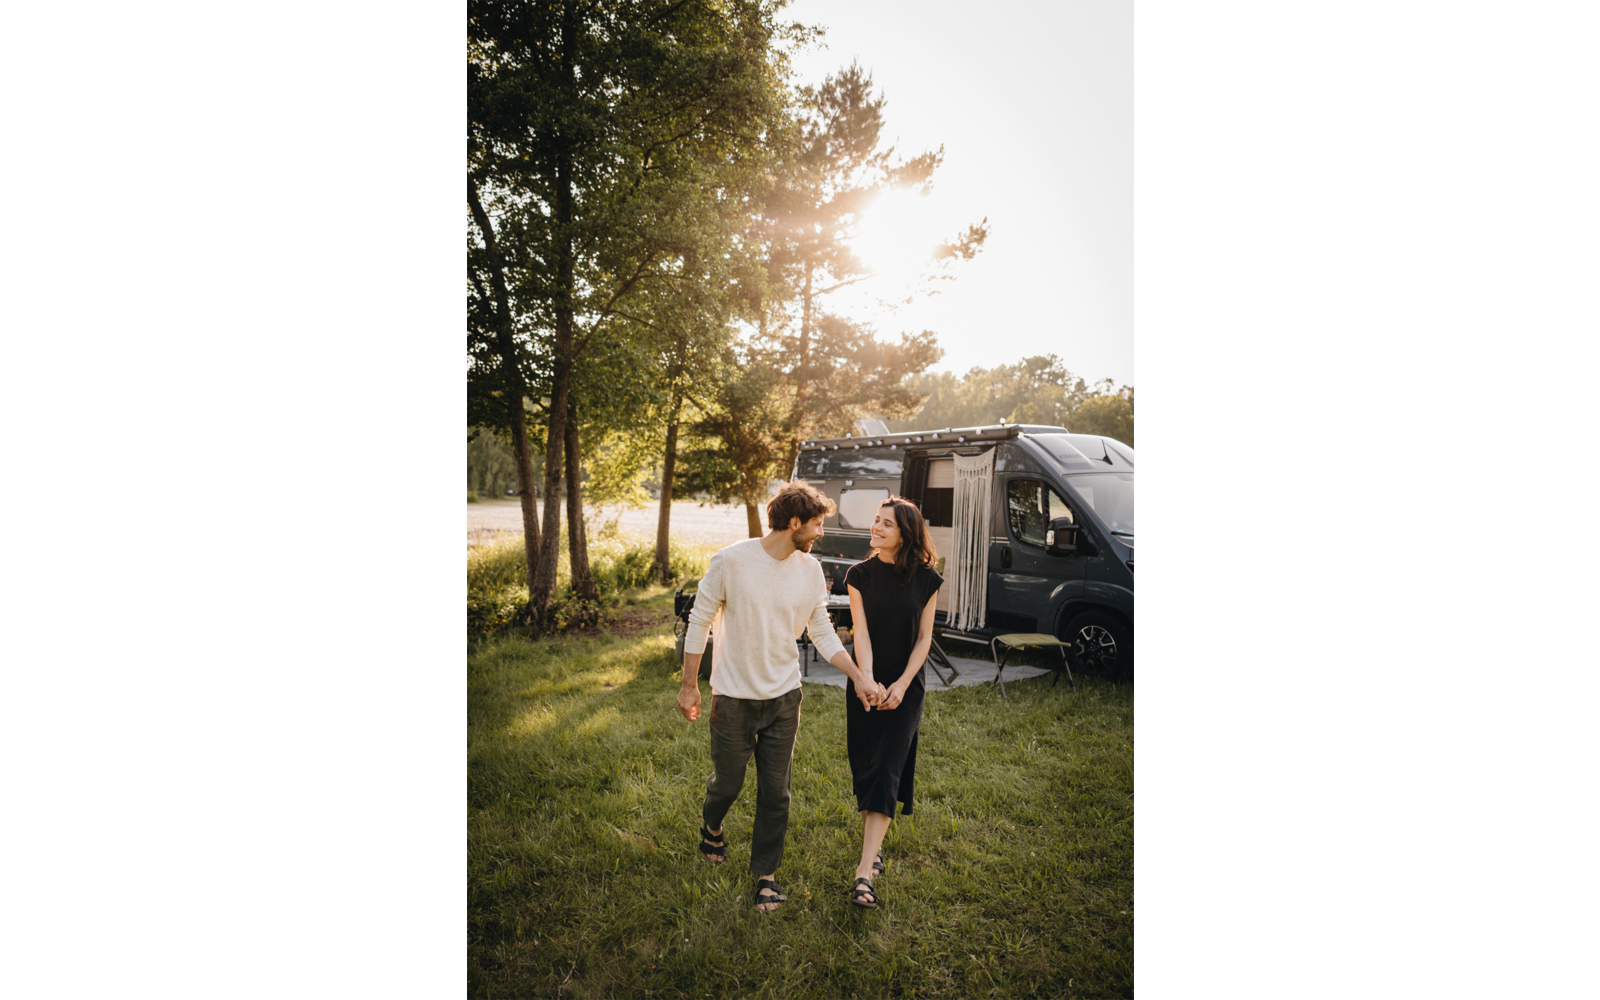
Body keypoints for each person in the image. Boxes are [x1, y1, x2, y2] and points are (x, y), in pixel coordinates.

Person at [676, 480, 882, 912]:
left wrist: (859, 676)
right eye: (817, 524)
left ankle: (765, 875)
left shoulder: (809, 571)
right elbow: (699, 621)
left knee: (777, 791)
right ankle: (712, 825)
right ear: (794, 523)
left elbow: (821, 631)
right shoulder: (731, 561)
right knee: (728, 783)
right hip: (733, 698)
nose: (821, 532)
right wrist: (690, 684)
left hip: (785, 698)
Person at [842, 496, 943, 909]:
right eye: (876, 521)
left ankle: (864, 872)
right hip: (866, 682)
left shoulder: (927, 579)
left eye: (886, 524)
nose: (876, 528)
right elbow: (859, 633)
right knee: (866, 768)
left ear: (905, 533)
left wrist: (901, 685)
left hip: (907, 688)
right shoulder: (858, 574)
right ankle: (875, 847)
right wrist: (866, 679)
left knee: (888, 768)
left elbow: (924, 638)